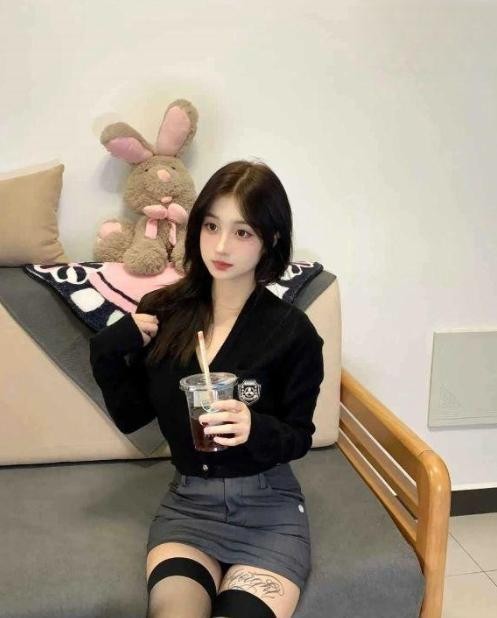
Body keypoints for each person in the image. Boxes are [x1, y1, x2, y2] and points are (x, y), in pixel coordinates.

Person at [89, 160, 324, 618]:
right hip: (189, 508)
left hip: (268, 510)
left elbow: (298, 436)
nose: (220, 246)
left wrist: (254, 427)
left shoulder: (292, 333)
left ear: (271, 239)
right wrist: (106, 352)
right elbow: (132, 417)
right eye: (212, 225)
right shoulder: (163, 311)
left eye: (243, 232)